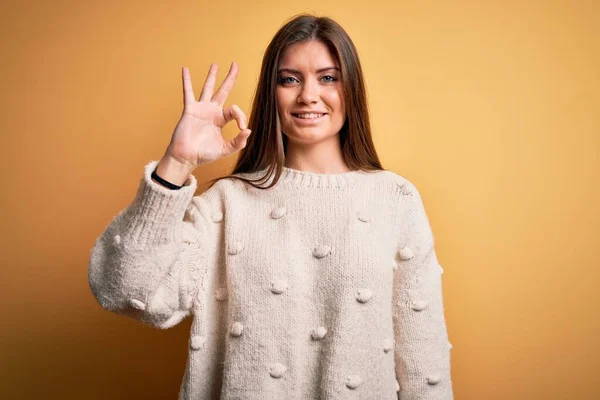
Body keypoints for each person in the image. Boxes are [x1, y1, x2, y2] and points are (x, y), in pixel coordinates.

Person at [88, 14, 454, 400]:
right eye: (290, 79)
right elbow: (124, 291)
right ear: (271, 93)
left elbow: (423, 359)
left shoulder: (396, 199)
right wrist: (176, 163)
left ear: (351, 90)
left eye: (328, 77)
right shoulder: (227, 204)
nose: (308, 95)